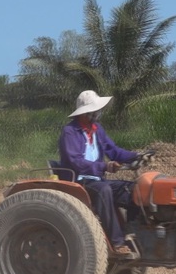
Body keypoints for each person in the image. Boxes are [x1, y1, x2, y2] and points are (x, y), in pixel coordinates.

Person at [59, 90, 140, 259]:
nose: (98, 113)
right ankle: (117, 243)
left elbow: (114, 151)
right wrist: (104, 166)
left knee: (135, 189)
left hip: (97, 180)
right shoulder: (70, 132)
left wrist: (136, 156)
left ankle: (132, 233)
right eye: (96, 110)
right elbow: (76, 162)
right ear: (86, 113)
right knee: (104, 190)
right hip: (80, 181)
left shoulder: (97, 130)